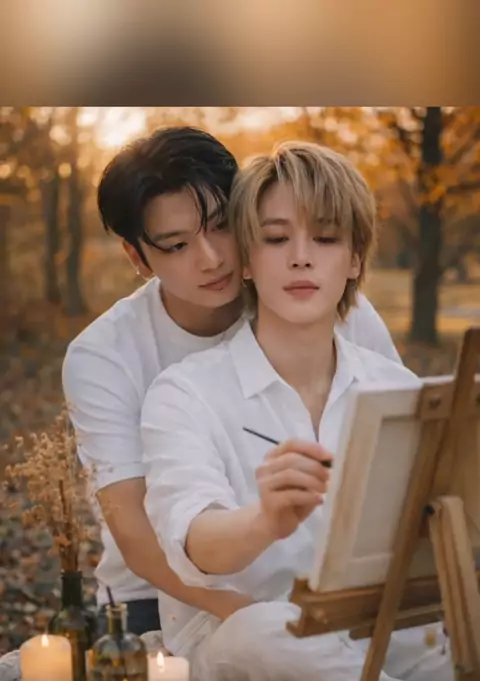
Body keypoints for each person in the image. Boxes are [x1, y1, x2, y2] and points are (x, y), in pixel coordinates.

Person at [141, 140, 453, 681]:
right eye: (277, 238)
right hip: (250, 641)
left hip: (383, 637)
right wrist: (265, 520)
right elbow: (194, 537)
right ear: (247, 260)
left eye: (326, 238)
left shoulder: (399, 389)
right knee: (261, 630)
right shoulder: (184, 393)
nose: (301, 258)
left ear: (355, 259)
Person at [63, 126, 402, 637]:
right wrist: (267, 624)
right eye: (177, 245)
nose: (212, 258)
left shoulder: (326, 305)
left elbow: (402, 440)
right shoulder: (105, 356)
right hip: (160, 593)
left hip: (318, 584)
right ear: (137, 258)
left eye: (221, 226)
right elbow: (136, 536)